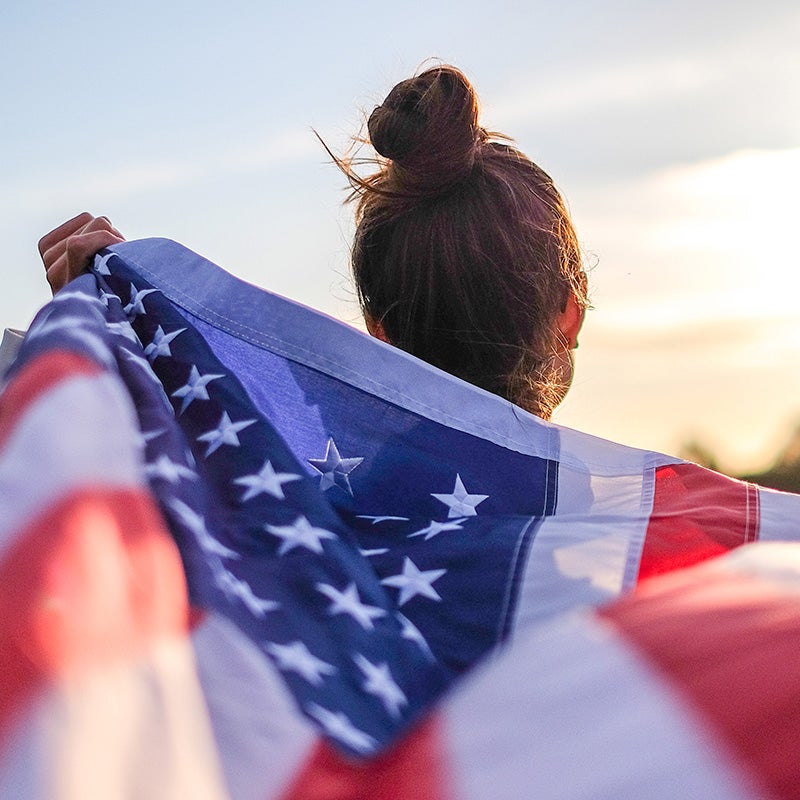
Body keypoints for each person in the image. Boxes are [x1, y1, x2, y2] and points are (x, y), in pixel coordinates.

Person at [38, 65, 588, 420]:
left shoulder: (299, 521)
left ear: (381, 336)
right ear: (571, 310)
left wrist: (104, 348)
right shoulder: (635, 543)